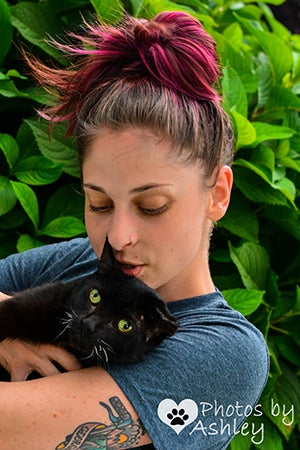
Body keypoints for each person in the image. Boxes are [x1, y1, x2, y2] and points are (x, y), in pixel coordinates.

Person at [0, 11, 269, 450]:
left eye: (151, 206)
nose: (117, 237)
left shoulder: (226, 353)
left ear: (218, 195)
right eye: (99, 203)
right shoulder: (81, 262)